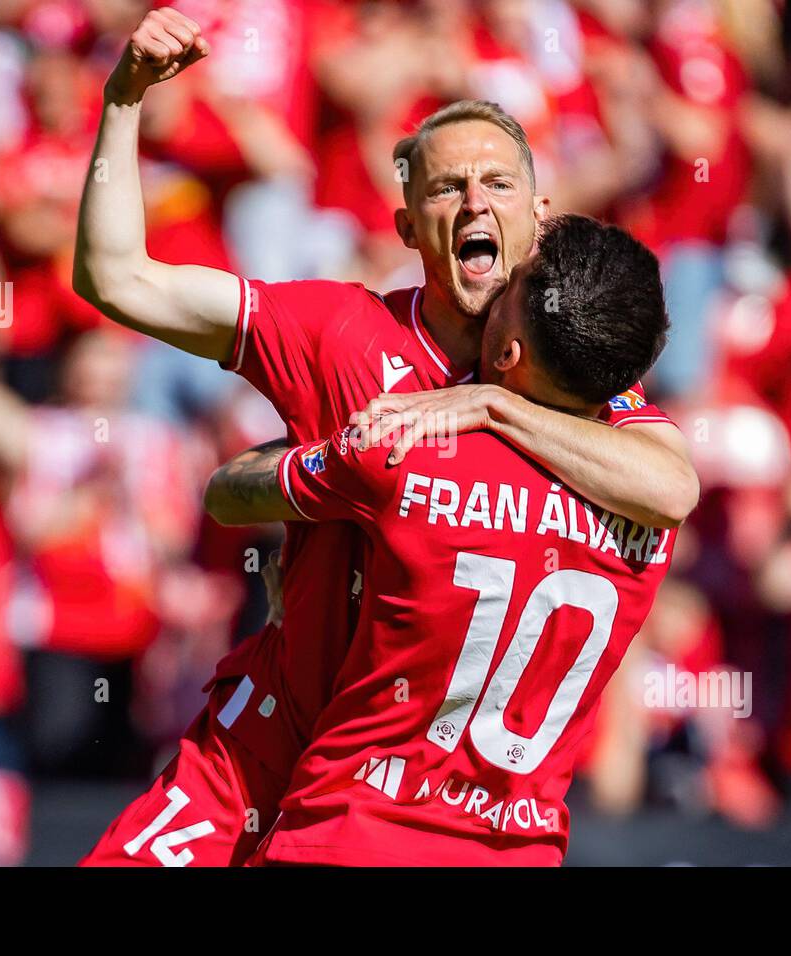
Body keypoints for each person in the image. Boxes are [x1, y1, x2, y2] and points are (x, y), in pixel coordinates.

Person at [75, 9, 697, 866]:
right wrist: (123, 102)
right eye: (445, 187)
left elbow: (674, 488)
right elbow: (116, 279)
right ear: (408, 229)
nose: (475, 199)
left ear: (540, 215)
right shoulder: (339, 329)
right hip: (265, 748)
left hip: (397, 803)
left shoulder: (578, 378)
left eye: (498, 182)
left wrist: (484, 408)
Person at [209, 215, 677, 864]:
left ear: (509, 353)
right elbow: (674, 479)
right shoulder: (647, 510)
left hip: (348, 837)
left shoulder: (406, 454)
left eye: (510, 282)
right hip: (516, 851)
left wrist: (328, 457)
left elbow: (228, 493)